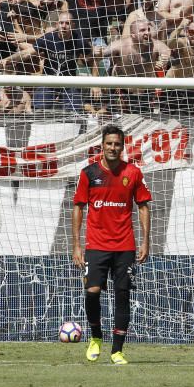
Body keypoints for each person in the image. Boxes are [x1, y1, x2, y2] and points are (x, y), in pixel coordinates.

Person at [72, 125, 152, 365]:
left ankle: (117, 350)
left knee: (122, 295)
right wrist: (76, 245)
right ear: (102, 145)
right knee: (92, 293)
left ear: (123, 146)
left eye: (117, 144)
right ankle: (96, 336)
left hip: (125, 245)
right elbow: (78, 207)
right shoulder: (89, 173)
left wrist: (146, 240)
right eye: (109, 143)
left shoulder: (133, 173)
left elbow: (143, 206)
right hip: (96, 244)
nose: (113, 148)